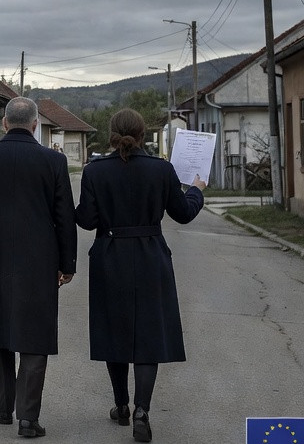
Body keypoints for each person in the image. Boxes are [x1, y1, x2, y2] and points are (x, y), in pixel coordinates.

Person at [76, 108, 205, 443]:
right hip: (150, 257)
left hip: (109, 256)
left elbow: (87, 221)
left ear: (111, 133)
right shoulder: (162, 170)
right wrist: (196, 190)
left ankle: (120, 405)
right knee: (147, 336)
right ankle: (142, 412)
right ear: (143, 134)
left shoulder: (95, 171)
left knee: (113, 331)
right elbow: (184, 213)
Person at [0, 96, 76, 438]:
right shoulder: (53, 161)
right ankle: (28, 418)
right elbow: (65, 217)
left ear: (4, 123)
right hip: (39, 261)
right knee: (34, 337)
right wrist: (67, 264)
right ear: (35, 124)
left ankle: (3, 408)